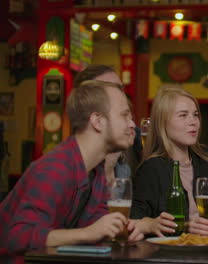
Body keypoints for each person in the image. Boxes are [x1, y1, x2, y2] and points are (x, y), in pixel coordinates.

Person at [0, 80, 143, 256]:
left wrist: (120, 230)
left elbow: (97, 223)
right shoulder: (56, 168)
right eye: (125, 115)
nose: (132, 125)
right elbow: (17, 237)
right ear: (97, 121)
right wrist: (88, 233)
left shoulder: (95, 168)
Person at [130, 86, 208, 237]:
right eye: (183, 115)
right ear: (163, 122)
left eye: (195, 115)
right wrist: (184, 227)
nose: (193, 122)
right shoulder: (150, 169)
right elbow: (136, 220)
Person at [74, 65, 143, 179]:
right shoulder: (66, 167)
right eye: (111, 89)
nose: (121, 95)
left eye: (121, 89)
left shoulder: (133, 138)